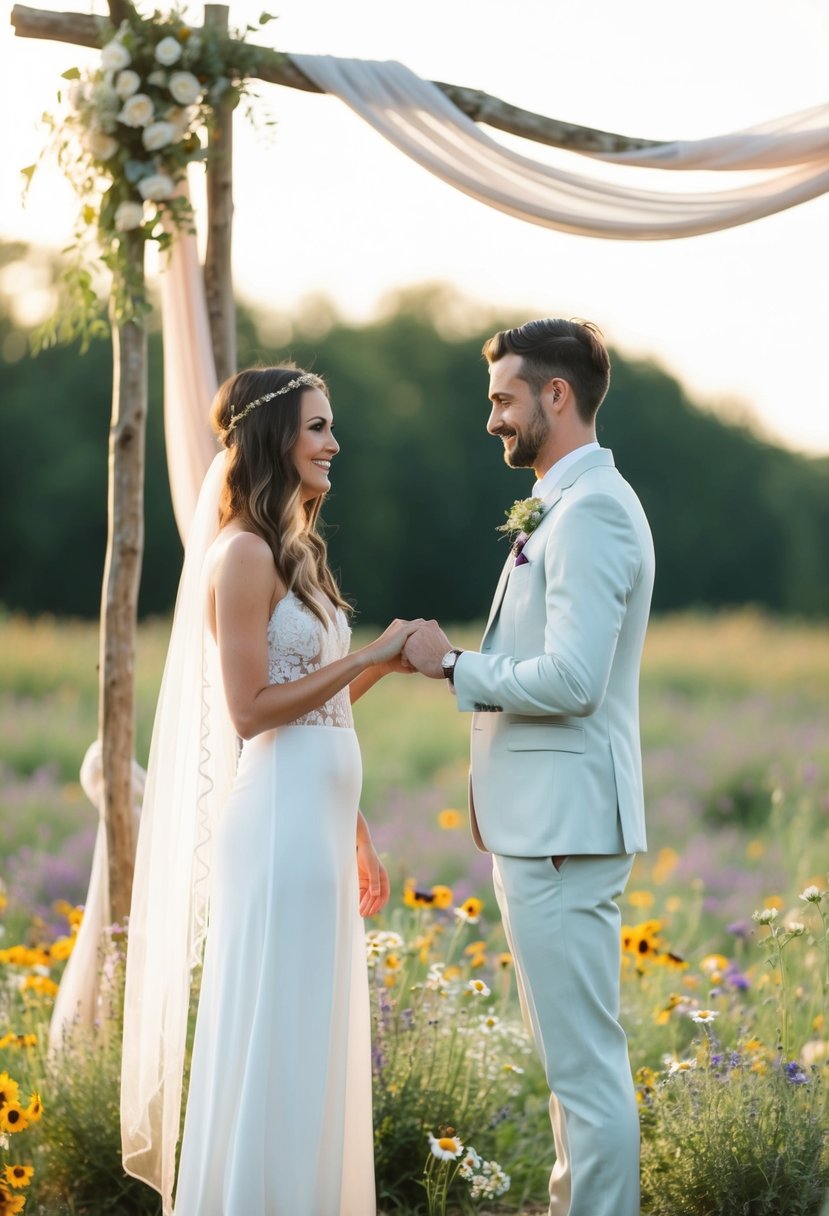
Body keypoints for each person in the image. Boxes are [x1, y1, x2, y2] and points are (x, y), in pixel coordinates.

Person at [121, 365, 420, 1216]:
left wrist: (356, 825)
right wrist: (364, 655)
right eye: (318, 427)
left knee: (311, 1034)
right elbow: (252, 714)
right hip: (278, 823)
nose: (333, 443)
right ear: (273, 438)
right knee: (277, 1030)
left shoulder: (299, 552)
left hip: (317, 824)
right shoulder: (244, 554)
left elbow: (316, 711)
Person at [403, 318, 655, 1216]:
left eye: (503, 399)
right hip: (547, 825)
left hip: (563, 830)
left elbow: (576, 679)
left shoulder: (590, 513)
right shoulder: (565, 501)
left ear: (556, 395)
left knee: (583, 1073)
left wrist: (453, 668)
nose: (491, 420)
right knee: (569, 1067)